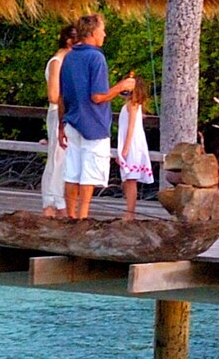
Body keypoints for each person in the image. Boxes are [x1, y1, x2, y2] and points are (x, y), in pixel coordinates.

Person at [56, 14, 135, 220]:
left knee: (72, 171)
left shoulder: (69, 56)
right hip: (93, 124)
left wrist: (60, 126)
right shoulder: (96, 57)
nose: (105, 34)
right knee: (89, 174)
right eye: (102, 30)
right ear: (92, 33)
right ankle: (82, 218)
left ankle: (71, 217)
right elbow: (97, 96)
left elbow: (62, 96)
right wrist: (121, 87)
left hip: (72, 121)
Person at [39, 23, 77, 217]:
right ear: (70, 41)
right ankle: (50, 202)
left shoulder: (71, 61)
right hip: (57, 114)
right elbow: (53, 96)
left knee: (67, 160)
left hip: (70, 115)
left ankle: (61, 201)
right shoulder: (58, 61)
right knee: (57, 158)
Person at [117, 80, 154, 220]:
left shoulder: (133, 105)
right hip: (129, 143)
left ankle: (130, 212)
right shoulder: (131, 105)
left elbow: (131, 127)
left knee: (131, 179)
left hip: (132, 144)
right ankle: (129, 210)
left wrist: (125, 150)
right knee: (127, 179)